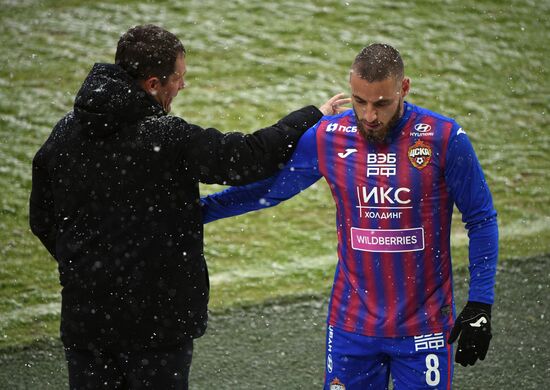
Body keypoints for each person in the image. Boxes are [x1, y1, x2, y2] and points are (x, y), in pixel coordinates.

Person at [29, 24, 348, 389]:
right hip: (157, 324)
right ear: (152, 84)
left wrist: (87, 266)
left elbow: (42, 219)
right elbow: (246, 158)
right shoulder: (167, 138)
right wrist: (311, 116)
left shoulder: (65, 132)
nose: (183, 86)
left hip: (87, 321)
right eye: (178, 78)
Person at [201, 43, 498, 389]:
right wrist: (197, 213)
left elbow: (481, 218)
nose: (370, 115)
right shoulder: (329, 137)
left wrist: (480, 303)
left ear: (404, 88)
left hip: (425, 329)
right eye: (360, 101)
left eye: (381, 104)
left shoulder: (444, 137)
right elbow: (269, 191)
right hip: (351, 327)